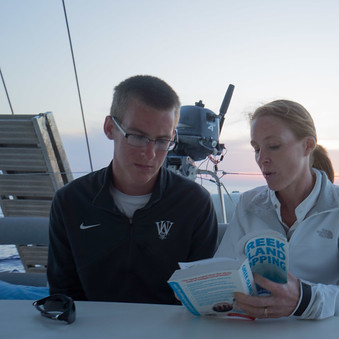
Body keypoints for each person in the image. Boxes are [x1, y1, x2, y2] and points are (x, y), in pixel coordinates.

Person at [47, 75, 218, 304]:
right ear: (110, 128)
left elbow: (201, 297)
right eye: (137, 137)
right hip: (90, 333)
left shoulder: (195, 204)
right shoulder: (70, 202)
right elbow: (63, 294)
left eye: (162, 141)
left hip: (171, 335)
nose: (150, 154)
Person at [214, 99, 339, 319]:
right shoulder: (248, 204)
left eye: (274, 146)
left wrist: (305, 299)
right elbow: (223, 271)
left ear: (307, 145)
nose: (262, 159)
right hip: (261, 337)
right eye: (256, 149)